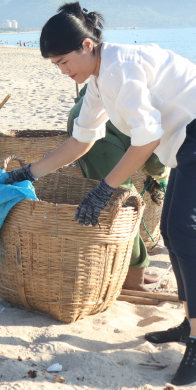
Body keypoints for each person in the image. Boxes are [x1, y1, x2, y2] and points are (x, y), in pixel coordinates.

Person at [4, 2, 196, 386]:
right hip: (189, 140)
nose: (65, 72)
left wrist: (105, 188)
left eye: (65, 61)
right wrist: (27, 172)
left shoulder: (120, 67)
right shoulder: (99, 79)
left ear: (87, 45)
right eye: (57, 66)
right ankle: (192, 324)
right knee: (171, 229)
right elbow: (81, 140)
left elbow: (146, 138)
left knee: (186, 230)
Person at [66, 84, 168, 291]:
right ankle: (133, 278)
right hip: (99, 135)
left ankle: (131, 270)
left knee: (119, 205)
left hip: (84, 118)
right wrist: (161, 176)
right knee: (124, 206)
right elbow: (155, 157)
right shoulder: (164, 108)